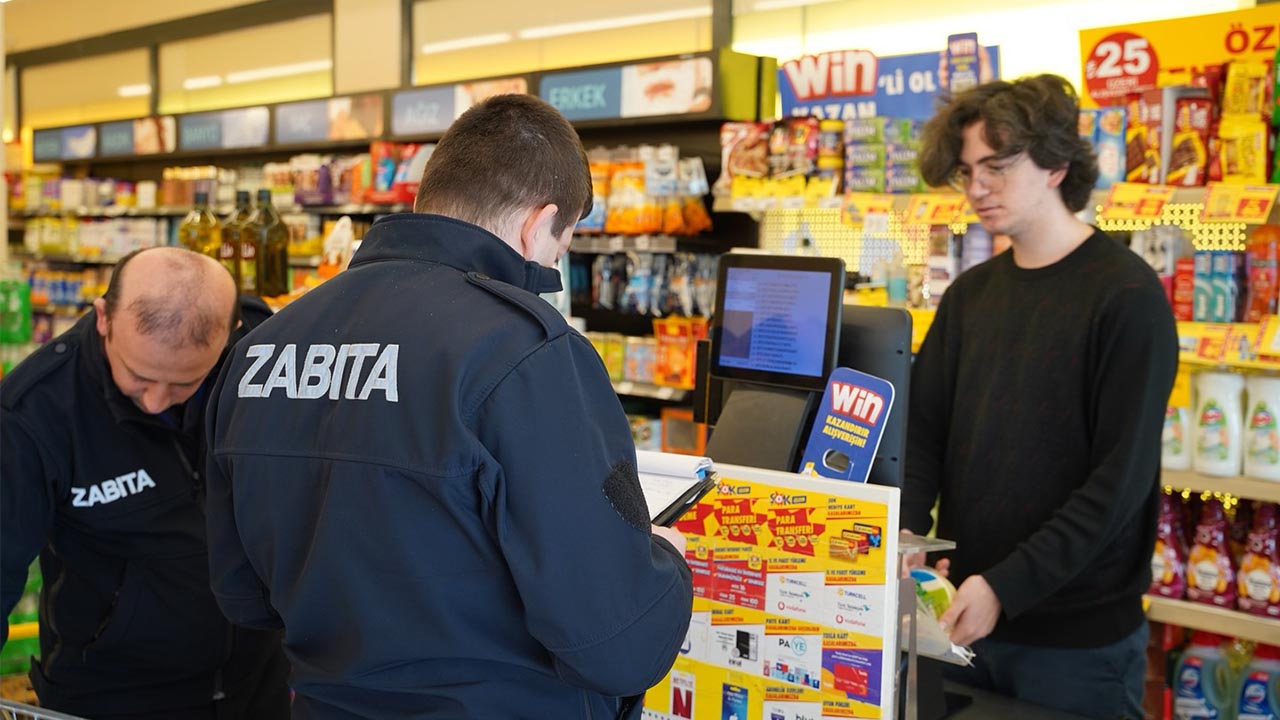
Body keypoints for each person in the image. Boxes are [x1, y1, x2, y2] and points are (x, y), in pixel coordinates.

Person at [204, 93, 693, 719]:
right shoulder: (523, 352)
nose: (552, 267)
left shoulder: (263, 348)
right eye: (560, 248)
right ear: (538, 224)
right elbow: (612, 640)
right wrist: (665, 569)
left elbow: (244, 595)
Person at [904, 74, 1178, 719]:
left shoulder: (1128, 298)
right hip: (962, 617)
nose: (976, 187)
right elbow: (924, 432)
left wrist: (1007, 586)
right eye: (969, 170)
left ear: (1055, 163)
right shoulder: (972, 295)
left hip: (1076, 645)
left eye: (998, 166)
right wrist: (910, 535)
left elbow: (1119, 483)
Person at [1, 246, 290, 719]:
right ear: (103, 319)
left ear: (229, 337)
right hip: (111, 694)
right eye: (138, 376)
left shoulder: (261, 352)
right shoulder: (38, 412)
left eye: (184, 383)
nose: (156, 401)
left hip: (257, 681)